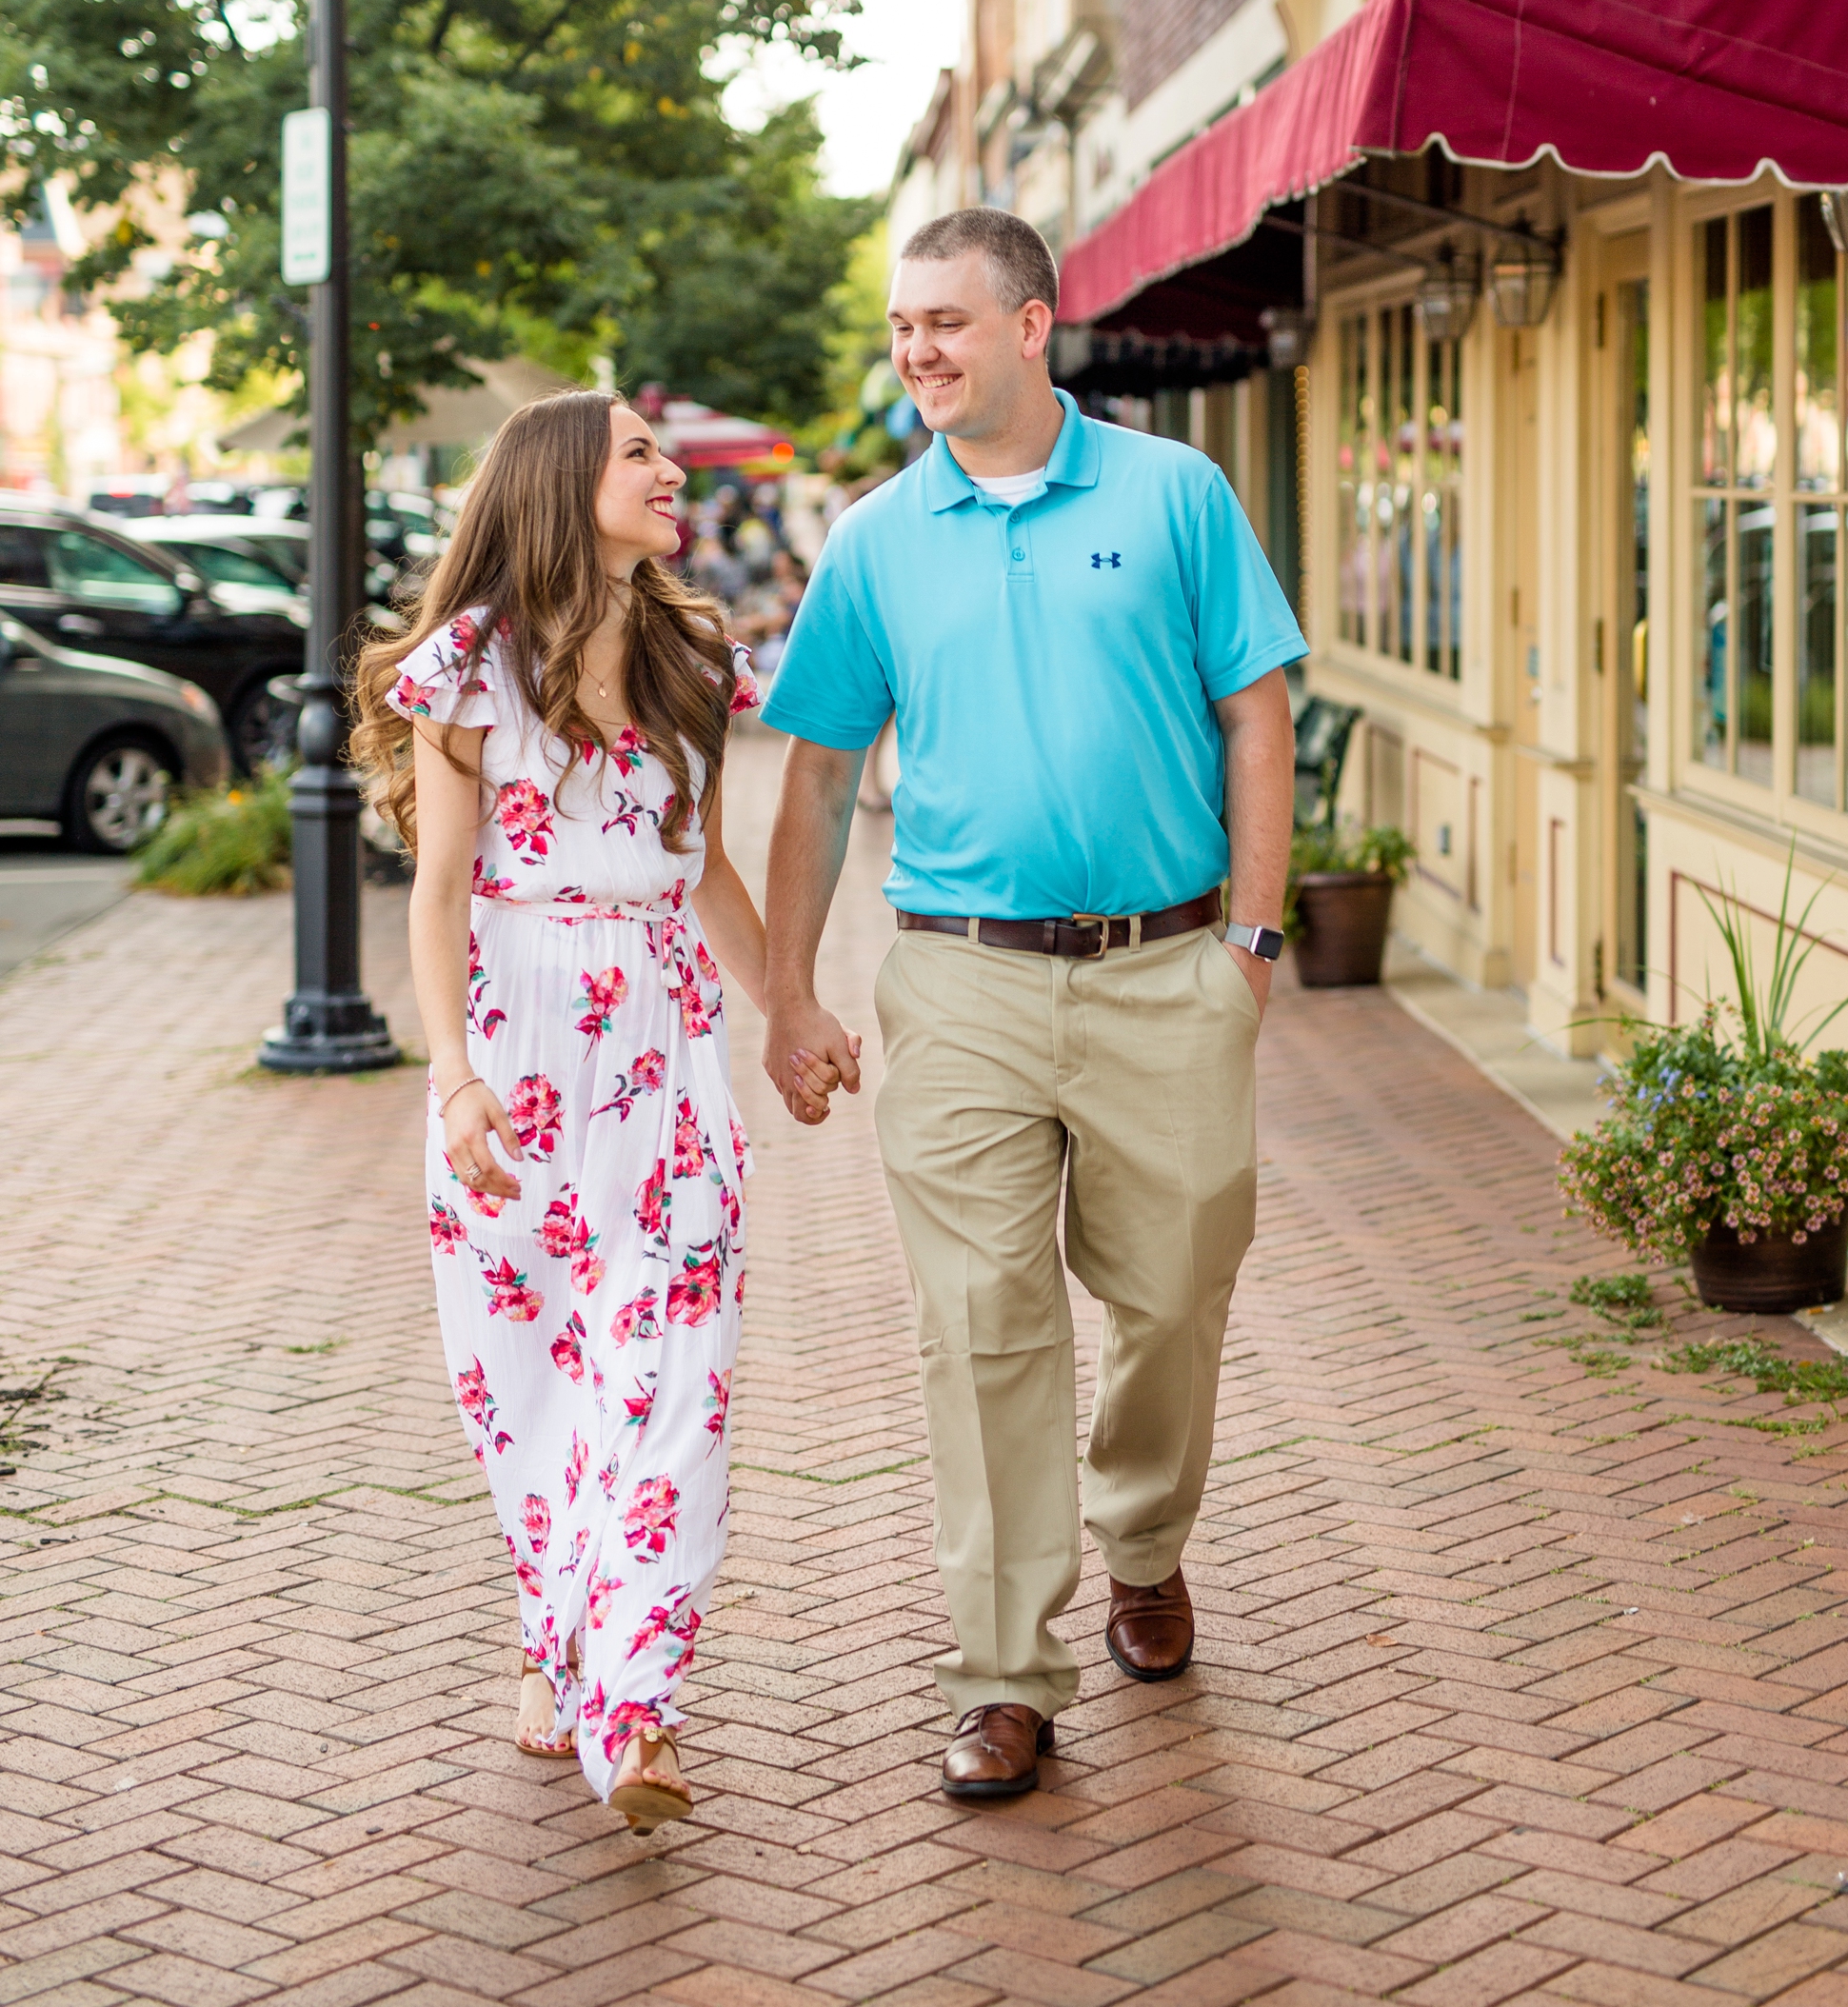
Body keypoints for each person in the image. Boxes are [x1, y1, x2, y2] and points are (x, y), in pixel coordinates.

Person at [759, 209, 1304, 1803]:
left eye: (946, 320)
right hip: (961, 980)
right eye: (902, 324)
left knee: (1177, 1291)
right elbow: (815, 780)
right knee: (983, 1327)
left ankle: (1145, 1538)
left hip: (1168, 970)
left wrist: (1252, 952)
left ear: (1031, 326)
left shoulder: (1172, 493)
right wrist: (789, 989)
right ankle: (1003, 1669)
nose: (917, 350)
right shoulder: (875, 537)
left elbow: (1254, 718)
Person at [352, 391, 838, 1835]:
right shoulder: (471, 672)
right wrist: (452, 1080)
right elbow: (439, 899)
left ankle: (638, 1708)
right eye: (637, 451)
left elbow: (709, 876)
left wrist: (791, 1013)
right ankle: (552, 1635)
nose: (669, 468)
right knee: (535, 1387)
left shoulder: (695, 658)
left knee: (675, 1374)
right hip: (515, 1062)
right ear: (566, 484)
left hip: (665, 1057)